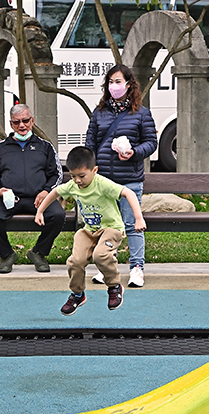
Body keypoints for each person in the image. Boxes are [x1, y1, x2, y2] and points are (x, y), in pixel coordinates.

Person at [35, 146, 145, 315]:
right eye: (73, 176)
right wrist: (40, 211)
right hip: (89, 230)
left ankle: (114, 287)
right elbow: (56, 191)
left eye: (82, 176)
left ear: (94, 170)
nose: (77, 180)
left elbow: (128, 193)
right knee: (75, 261)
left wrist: (138, 218)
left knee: (100, 255)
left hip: (111, 229)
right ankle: (78, 295)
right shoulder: (73, 185)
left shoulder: (102, 184)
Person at [85, 64, 157, 288]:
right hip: (104, 180)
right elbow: (91, 143)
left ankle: (137, 268)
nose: (114, 86)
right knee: (108, 225)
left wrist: (134, 153)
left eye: (118, 82)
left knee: (132, 224)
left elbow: (151, 142)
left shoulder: (141, 113)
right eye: (111, 82)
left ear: (129, 84)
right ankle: (107, 266)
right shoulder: (99, 112)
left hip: (130, 178)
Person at [0, 103, 67, 274]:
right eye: (16, 122)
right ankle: (7, 255)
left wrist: (46, 191)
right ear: (11, 124)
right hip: (9, 199)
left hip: (40, 199)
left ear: (32, 121)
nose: (22, 125)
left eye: (26, 120)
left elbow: (57, 175)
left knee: (58, 215)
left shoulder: (45, 147)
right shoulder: (0, 149)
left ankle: (38, 253)